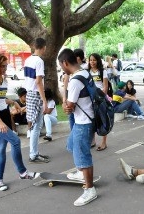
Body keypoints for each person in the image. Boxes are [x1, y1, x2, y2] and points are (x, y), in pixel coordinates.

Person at [0, 53, 40, 191]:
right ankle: (23, 172)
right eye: (2, 66)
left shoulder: (4, 80)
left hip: (4, 114)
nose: (5, 69)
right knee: (15, 140)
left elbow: (1, 99)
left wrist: (14, 102)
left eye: (6, 66)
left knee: (1, 149)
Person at [58, 48, 97, 207]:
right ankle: (81, 173)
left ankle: (90, 189)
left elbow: (69, 107)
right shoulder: (85, 73)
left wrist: (66, 102)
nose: (61, 68)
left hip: (83, 122)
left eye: (61, 65)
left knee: (83, 156)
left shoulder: (74, 81)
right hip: (89, 118)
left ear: (65, 63)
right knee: (72, 145)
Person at [24, 38, 49, 163]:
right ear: (43, 47)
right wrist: (44, 100)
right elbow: (38, 82)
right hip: (36, 94)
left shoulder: (28, 59)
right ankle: (33, 154)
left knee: (35, 125)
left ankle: (34, 152)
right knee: (36, 126)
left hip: (29, 94)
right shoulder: (39, 61)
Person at [63, 49, 88, 131]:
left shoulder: (84, 69)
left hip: (80, 100)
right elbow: (65, 82)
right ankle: (73, 132)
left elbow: (69, 106)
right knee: (71, 118)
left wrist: (67, 106)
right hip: (71, 94)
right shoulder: (70, 70)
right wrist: (64, 99)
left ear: (79, 58)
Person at [88, 53, 108, 151]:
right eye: (91, 60)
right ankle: (93, 141)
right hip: (90, 100)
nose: (92, 62)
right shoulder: (88, 72)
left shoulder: (102, 71)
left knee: (103, 120)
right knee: (93, 120)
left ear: (98, 61)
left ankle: (104, 142)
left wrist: (99, 97)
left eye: (94, 60)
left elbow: (105, 87)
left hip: (100, 99)